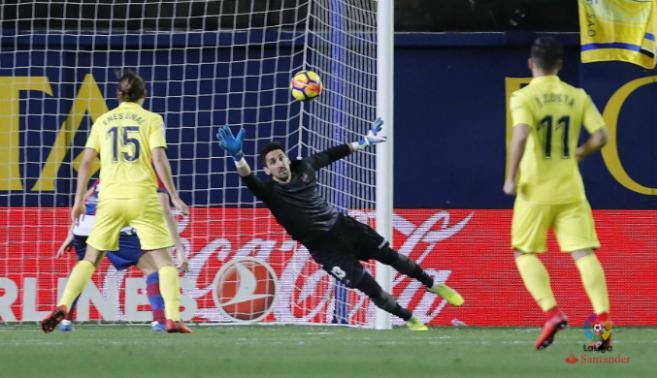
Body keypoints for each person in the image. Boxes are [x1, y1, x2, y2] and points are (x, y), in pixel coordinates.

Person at [216, 118, 464, 331]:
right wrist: (238, 156)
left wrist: (363, 142)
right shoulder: (269, 192)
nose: (279, 163)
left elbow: (332, 154)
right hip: (324, 248)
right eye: (272, 162)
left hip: (343, 226)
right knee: (370, 288)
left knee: (392, 257)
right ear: (268, 170)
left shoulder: (304, 167)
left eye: (281, 158)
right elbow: (248, 178)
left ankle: (433, 285)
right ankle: (410, 320)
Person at [41, 72, 191, 333]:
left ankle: (64, 306)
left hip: (108, 199)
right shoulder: (152, 119)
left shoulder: (103, 120)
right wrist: (174, 195)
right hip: (142, 197)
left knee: (89, 259)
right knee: (164, 262)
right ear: (144, 94)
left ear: (118, 95)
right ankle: (172, 317)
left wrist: (77, 201)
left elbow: (86, 162)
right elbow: (158, 158)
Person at [504, 37, 612, 350]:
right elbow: (602, 136)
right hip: (570, 188)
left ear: (530, 64)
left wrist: (510, 178)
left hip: (535, 189)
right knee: (584, 254)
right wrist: (580, 152)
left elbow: (521, 135)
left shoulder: (523, 97)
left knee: (524, 252)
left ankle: (552, 313)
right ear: (561, 65)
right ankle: (601, 326)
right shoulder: (577, 95)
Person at [55, 179, 189, 332]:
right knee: (152, 269)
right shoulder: (146, 172)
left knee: (85, 265)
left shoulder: (107, 171)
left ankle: (65, 319)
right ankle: (160, 320)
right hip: (114, 223)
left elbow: (85, 199)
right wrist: (179, 248)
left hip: (85, 224)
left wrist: (71, 233)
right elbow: (164, 210)